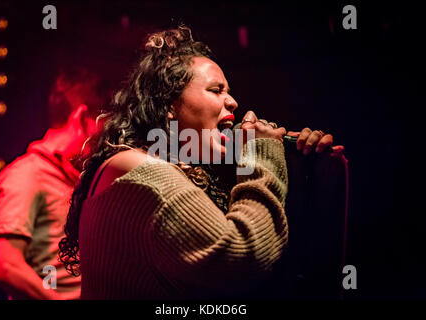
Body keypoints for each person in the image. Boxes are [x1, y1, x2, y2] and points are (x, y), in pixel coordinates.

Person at [59, 26, 341, 299]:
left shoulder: (158, 167)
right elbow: (242, 260)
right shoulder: (140, 171)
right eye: (216, 90)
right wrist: (263, 155)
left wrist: (300, 165)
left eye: (228, 91)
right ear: (168, 102)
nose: (232, 102)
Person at [0, 66, 107, 299]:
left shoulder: (73, 178)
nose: (106, 139)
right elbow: (5, 266)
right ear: (82, 117)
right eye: (103, 124)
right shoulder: (27, 175)